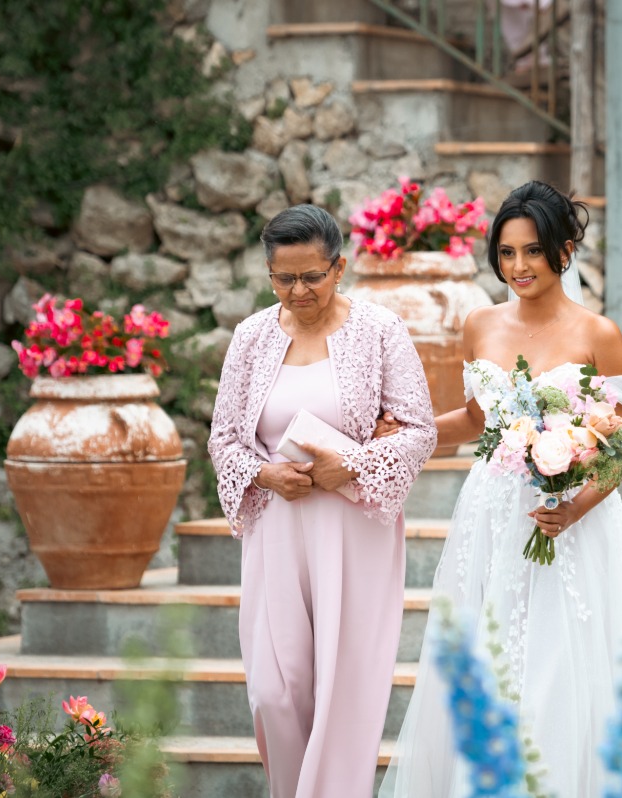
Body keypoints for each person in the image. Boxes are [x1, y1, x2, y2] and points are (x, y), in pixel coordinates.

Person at [378, 181, 622, 796]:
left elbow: (619, 454)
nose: (518, 267)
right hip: (489, 518)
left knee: (560, 672)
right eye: (506, 253)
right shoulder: (480, 325)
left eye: (533, 252)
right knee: (488, 665)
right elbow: (477, 422)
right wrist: (403, 437)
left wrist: (571, 508)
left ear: (564, 251)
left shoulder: (600, 335)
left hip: (571, 525)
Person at [208, 204, 437, 797]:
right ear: (269, 275)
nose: (298, 289)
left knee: (343, 692)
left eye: (312, 275)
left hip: (353, 526)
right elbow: (224, 437)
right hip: (278, 526)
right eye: (284, 278)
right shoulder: (251, 337)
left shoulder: (380, 330)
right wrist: (264, 476)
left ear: (340, 268)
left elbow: (418, 428)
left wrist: (353, 465)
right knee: (274, 691)